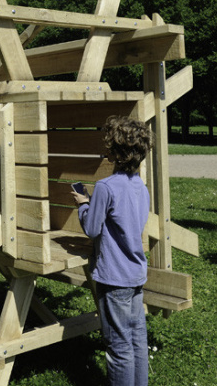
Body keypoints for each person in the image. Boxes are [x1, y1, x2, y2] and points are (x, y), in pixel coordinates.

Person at [71, 116, 152, 386]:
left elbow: (92, 228)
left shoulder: (105, 187)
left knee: (118, 347)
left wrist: (84, 204)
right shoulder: (142, 186)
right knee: (137, 340)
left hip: (113, 277)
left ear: (114, 151)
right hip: (135, 274)